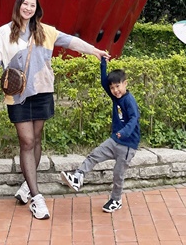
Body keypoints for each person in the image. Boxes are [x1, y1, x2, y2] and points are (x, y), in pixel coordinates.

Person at [0, 0, 109, 220]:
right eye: (25, 4)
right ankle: (37, 198)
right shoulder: (4, 33)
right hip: (17, 95)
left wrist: (93, 51)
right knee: (26, 141)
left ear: (37, 9)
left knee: (36, 139)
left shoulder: (45, 31)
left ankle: (28, 184)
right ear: (18, 6)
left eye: (32, 5)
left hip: (42, 90)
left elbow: (71, 41)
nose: (28, 8)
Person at [60, 58, 139, 213]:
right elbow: (104, 83)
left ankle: (116, 200)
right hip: (114, 140)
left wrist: (124, 132)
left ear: (125, 84)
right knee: (94, 155)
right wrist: (103, 63)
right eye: (112, 88)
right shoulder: (115, 97)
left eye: (118, 86)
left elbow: (134, 119)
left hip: (128, 144)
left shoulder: (129, 100)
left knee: (118, 175)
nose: (115, 90)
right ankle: (77, 177)